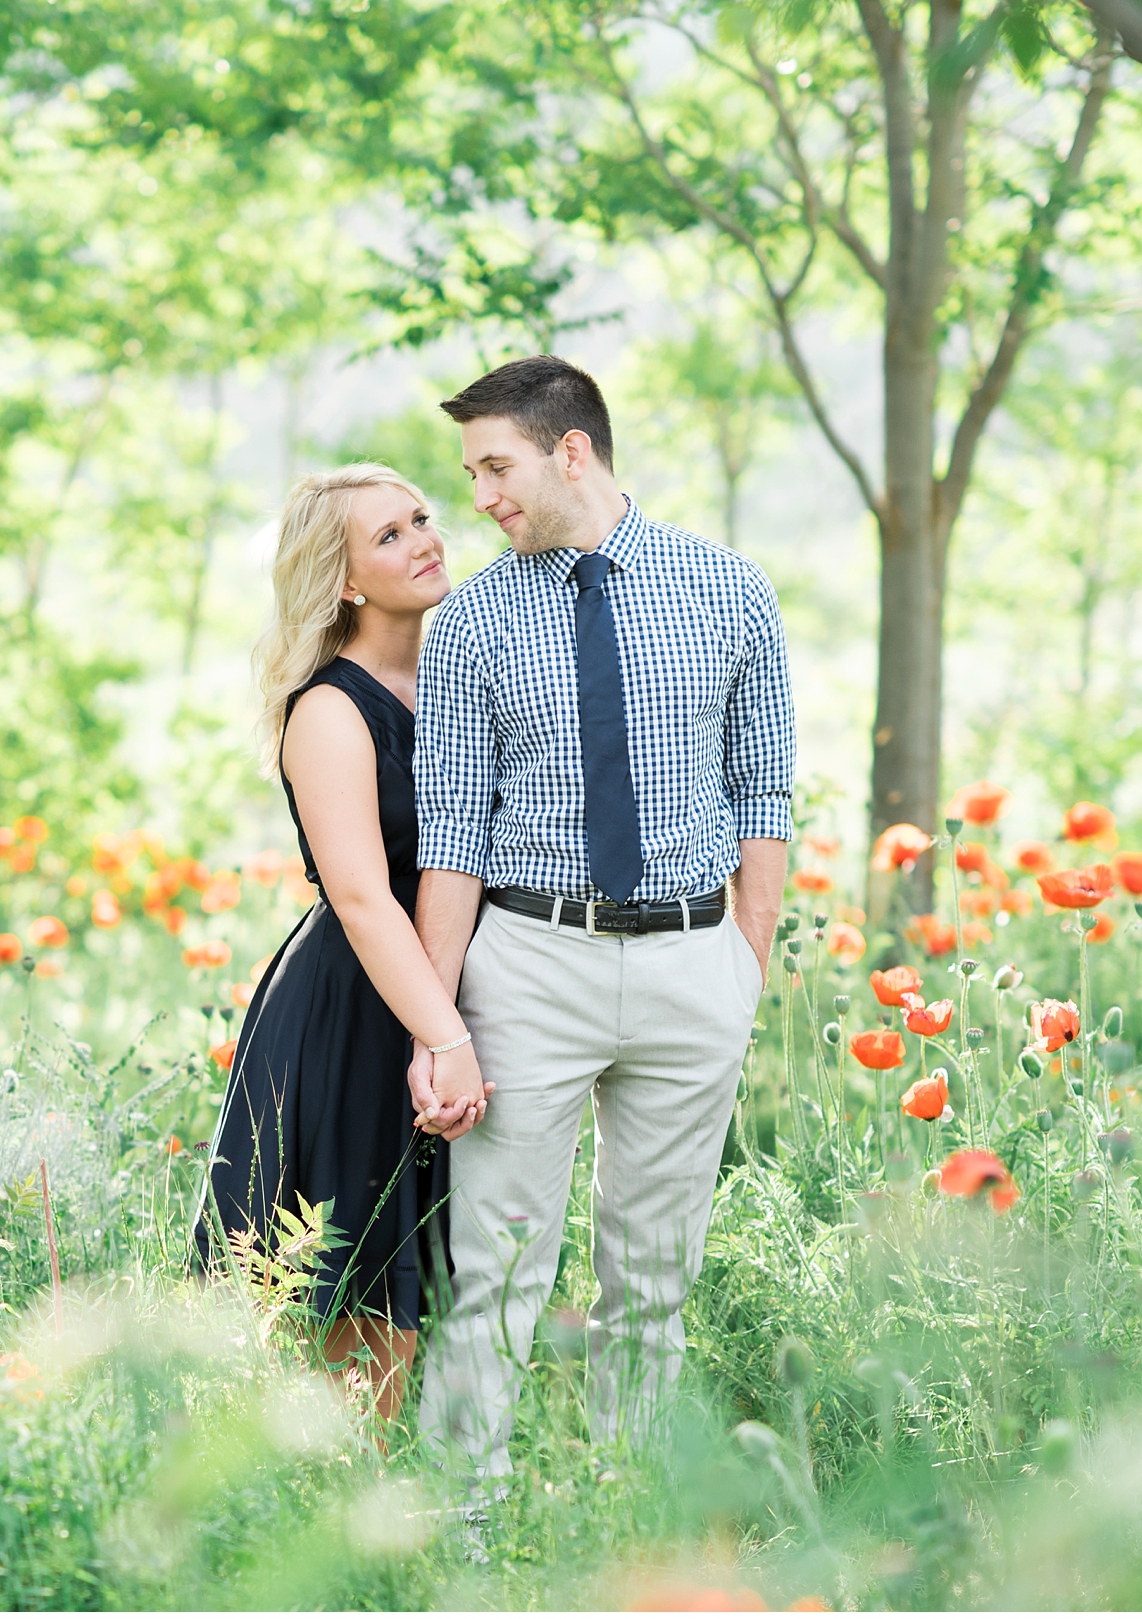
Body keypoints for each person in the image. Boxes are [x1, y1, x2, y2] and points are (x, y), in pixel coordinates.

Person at [407, 355, 796, 1482]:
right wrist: (440, 1027)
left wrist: (741, 971)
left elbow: (762, 792)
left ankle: (626, 1528)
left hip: (692, 963)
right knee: (496, 1269)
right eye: (471, 472)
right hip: (529, 964)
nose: (478, 497)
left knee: (653, 1277)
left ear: (569, 450)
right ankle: (463, 1523)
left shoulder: (730, 589)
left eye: (495, 466)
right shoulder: (474, 617)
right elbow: (451, 837)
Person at [198, 461, 495, 1425]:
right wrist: (442, 1037)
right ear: (345, 582)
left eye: (421, 518)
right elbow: (365, 898)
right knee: (365, 1292)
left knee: (442, 1279)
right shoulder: (330, 708)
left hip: (450, 990)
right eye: (390, 536)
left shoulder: (456, 670)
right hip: (364, 1006)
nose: (425, 540)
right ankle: (344, 1522)